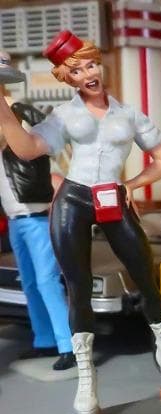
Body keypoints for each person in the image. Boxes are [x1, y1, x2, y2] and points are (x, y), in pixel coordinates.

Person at [0, 31, 161, 414]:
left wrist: (133, 184)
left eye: (91, 65)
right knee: (78, 287)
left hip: (112, 197)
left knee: (145, 276)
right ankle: (87, 379)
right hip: (74, 199)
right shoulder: (65, 116)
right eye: (77, 70)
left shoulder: (129, 115)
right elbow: (27, 148)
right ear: (67, 79)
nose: (88, 74)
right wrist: (2, 108)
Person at [0, 99, 73, 370]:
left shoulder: (29, 152)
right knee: (30, 284)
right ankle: (44, 340)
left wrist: (17, 109)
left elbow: (40, 123)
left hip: (37, 221)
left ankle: (69, 345)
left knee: (47, 282)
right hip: (15, 224)